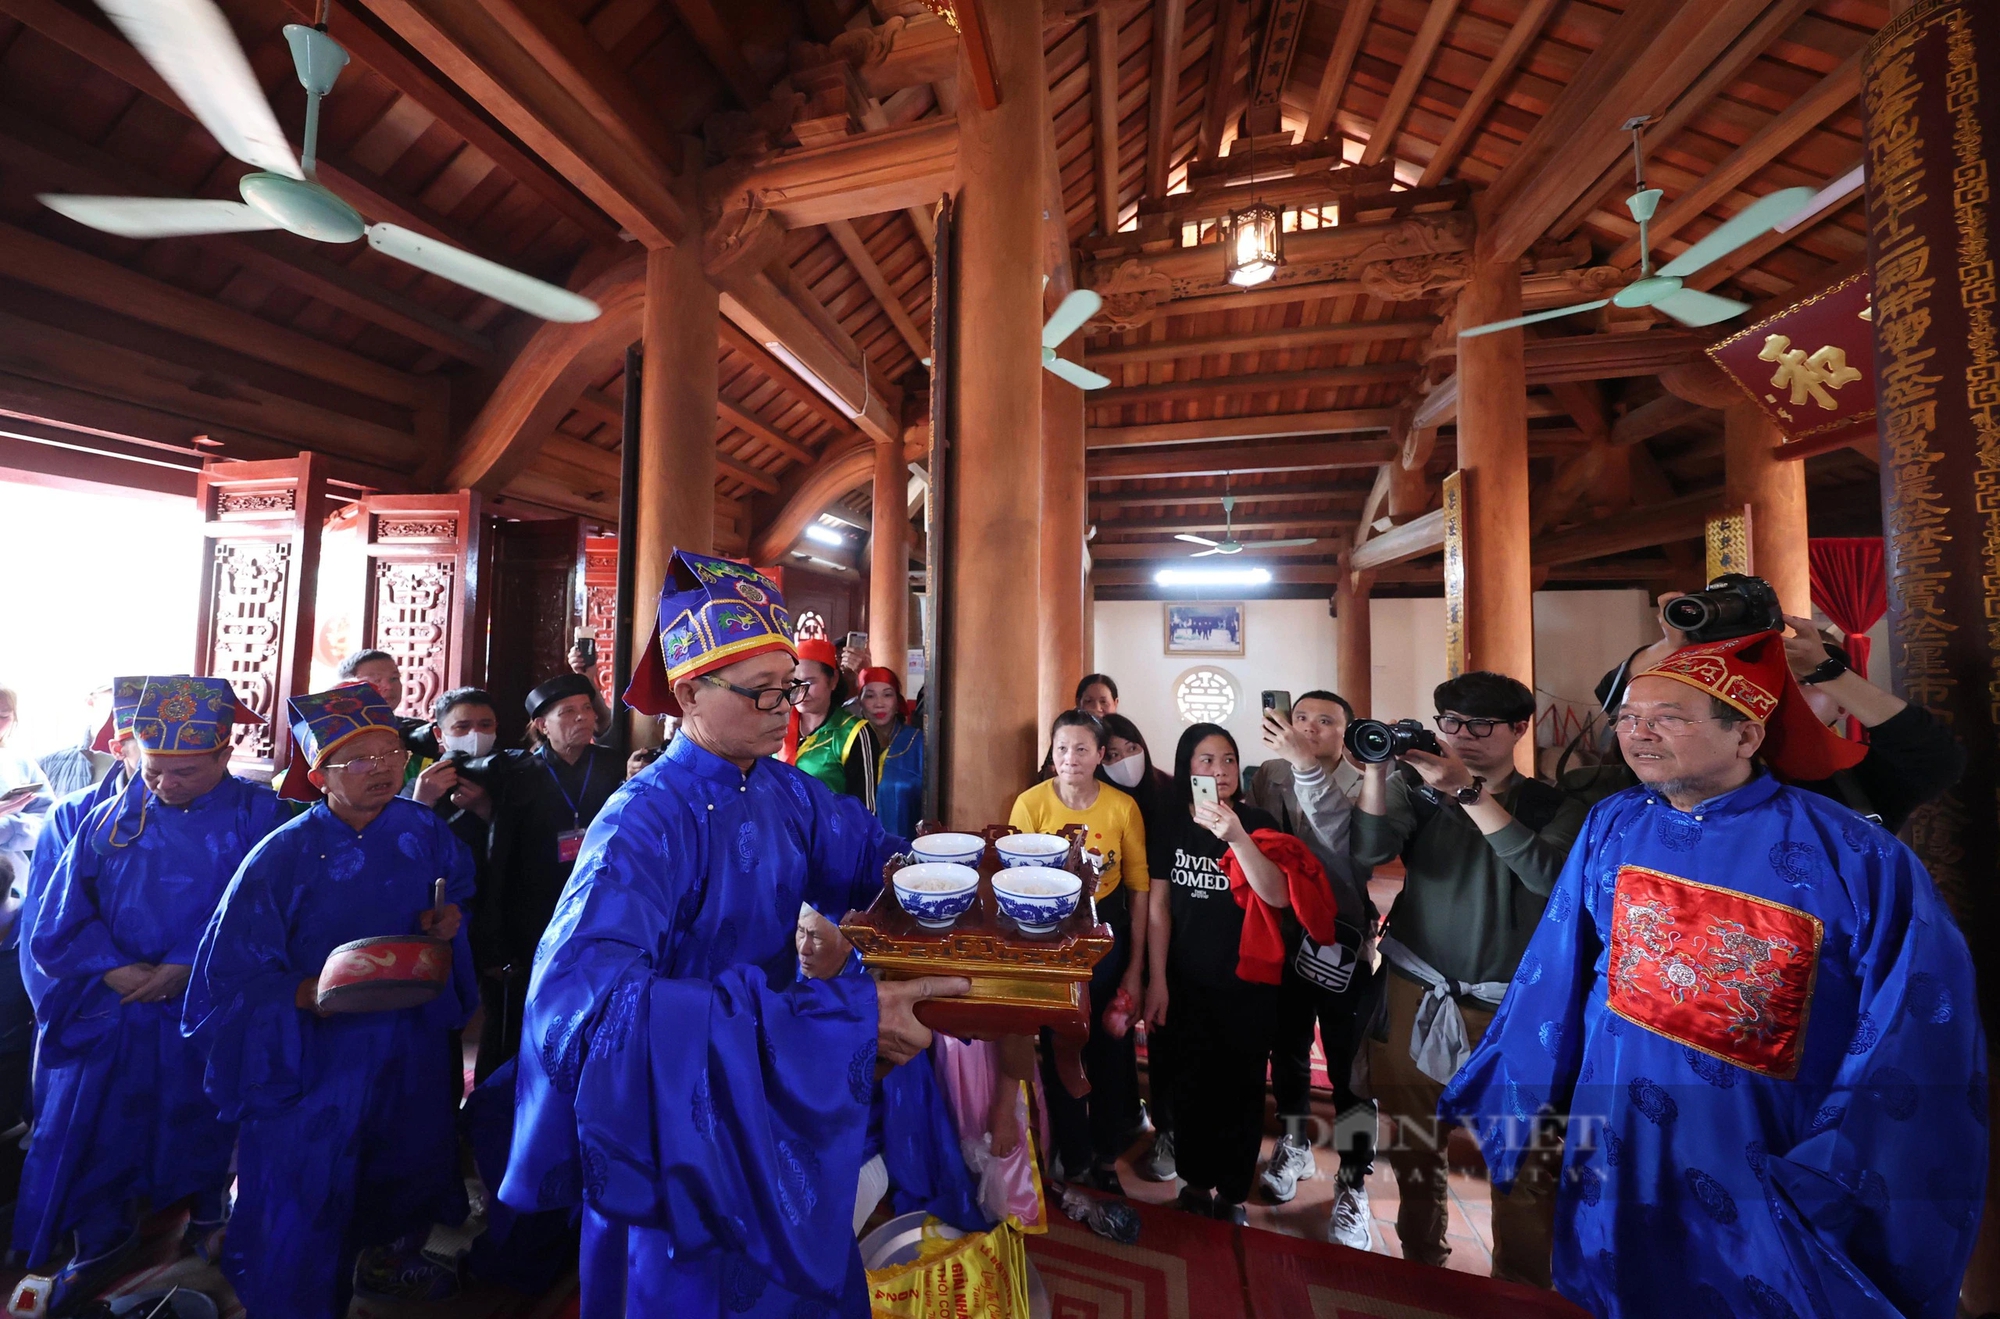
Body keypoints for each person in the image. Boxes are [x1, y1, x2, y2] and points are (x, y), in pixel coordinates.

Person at [1441, 630, 1984, 1319]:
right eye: (1630, 718)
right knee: (1624, 1279)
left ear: (1746, 735)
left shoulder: (1853, 852)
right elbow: (1557, 963)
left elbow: (1912, 1019)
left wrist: (1833, 1159)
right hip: (1620, 1128)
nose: (1639, 734)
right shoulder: (1613, 822)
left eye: (1667, 717)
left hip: (1763, 1140)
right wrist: (1524, 1090)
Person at [499, 548, 968, 1317]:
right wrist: (835, 1023)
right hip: (682, 1122)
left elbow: (879, 864)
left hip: (773, 1097)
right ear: (687, 692)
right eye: (760, 694)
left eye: (789, 690)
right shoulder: (640, 824)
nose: (783, 710)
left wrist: (969, 884)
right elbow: (581, 1013)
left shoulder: (786, 791)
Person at [185, 682, 476, 1318]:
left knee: (405, 1159)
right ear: (318, 776)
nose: (383, 769)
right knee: (308, 1189)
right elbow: (228, 973)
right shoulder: (280, 857)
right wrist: (304, 993)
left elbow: (455, 890)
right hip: (316, 1049)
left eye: (392, 753)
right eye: (358, 760)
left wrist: (448, 921)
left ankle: (387, 1261)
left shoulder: (422, 830)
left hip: (405, 1036)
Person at [19, 677, 286, 1304]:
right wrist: (109, 966)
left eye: (186, 771)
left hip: (207, 1001)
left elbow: (265, 905)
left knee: (205, 1116)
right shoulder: (103, 818)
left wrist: (186, 963)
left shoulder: (259, 814)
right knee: (102, 1127)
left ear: (225, 754)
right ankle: (103, 1238)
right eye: (154, 769)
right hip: (113, 1004)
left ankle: (213, 1215)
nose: (164, 784)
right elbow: (56, 913)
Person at [1352, 671, 1587, 1283]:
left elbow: (1544, 875)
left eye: (1479, 725)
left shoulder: (1554, 804)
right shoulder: (1419, 788)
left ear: (1518, 728)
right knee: (1412, 1141)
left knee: (1525, 1159)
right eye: (1450, 722)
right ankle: (1421, 1262)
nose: (1461, 736)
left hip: (1513, 1007)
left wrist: (1470, 794)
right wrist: (1378, 768)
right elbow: (1370, 847)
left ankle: (1520, 1288)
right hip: (1414, 984)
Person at [1152, 724, 1337, 1227]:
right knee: (1190, 1084)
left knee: (1242, 1088)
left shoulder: (1257, 820)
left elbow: (1278, 895)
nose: (1219, 771)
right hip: (1187, 979)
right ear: (1187, 767)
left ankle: (1232, 1192)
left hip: (1249, 984)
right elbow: (1159, 908)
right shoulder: (1170, 822)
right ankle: (1193, 1182)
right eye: (1206, 761)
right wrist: (1156, 980)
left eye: (1229, 760)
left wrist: (1235, 836)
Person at [1592, 600, 1962, 831]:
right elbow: (1619, 700)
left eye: (1803, 682)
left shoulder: (1855, 778)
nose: (1778, 696)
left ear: (1843, 702)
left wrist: (1824, 668)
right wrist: (1672, 648)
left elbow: (1933, 755)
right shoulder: (1697, 759)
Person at [1248, 689, 1378, 1246]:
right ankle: (1294, 1142)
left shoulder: (1367, 784)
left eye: (1326, 721)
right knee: (1288, 1047)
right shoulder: (1269, 774)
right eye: (1301, 718)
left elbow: (1348, 852)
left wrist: (1307, 769)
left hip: (1344, 939)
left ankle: (1354, 1179)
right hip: (1285, 937)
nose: (1309, 729)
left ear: (1346, 733)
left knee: (1351, 1066)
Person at [1008, 709, 1150, 1193]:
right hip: (1049, 938)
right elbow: (1016, 881)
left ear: (1101, 756)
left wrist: (1134, 970)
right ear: (1051, 752)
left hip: (1107, 934)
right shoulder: (1029, 805)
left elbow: (1139, 889)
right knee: (1058, 1046)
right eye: (1062, 748)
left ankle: (1107, 1155)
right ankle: (1072, 1154)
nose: (1070, 759)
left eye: (1082, 749)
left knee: (1109, 1047)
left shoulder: (1121, 808)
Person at [7, 679, 145, 1136]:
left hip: (174, 989)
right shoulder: (80, 814)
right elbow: (52, 915)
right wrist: (103, 968)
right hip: (91, 984)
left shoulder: (242, 813)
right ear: (120, 746)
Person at [471, 671, 624, 1079]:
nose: (582, 718)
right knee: (523, 1020)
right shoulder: (518, 771)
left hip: (598, 907)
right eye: (568, 711)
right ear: (542, 724)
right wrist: (494, 940)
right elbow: (499, 857)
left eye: (587, 709)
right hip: (534, 914)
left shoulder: (612, 766)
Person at [846, 666, 924, 838]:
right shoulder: (849, 743)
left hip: (908, 850)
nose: (879, 703)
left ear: (898, 701)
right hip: (860, 847)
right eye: (870, 695)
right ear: (859, 702)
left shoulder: (917, 742)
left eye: (887, 694)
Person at [783, 636, 864, 794]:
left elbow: (864, 809)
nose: (801, 691)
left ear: (833, 680)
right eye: (795, 682)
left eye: (810, 682)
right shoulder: (779, 725)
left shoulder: (853, 733)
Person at [0, 685, 52, 913]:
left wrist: (9, 827)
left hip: (14, 893)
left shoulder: (19, 763)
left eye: (3, 716)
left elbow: (48, 822)